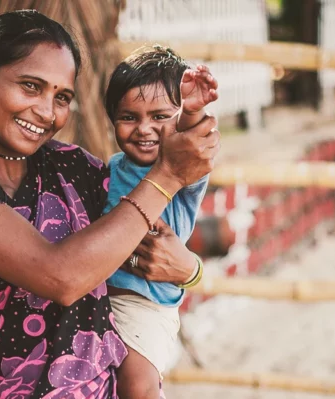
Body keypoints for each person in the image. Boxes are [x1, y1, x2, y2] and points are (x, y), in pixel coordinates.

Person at [0, 10, 220, 399]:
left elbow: (144, 226)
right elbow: (61, 277)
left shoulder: (71, 166)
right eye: (30, 86)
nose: (46, 111)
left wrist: (189, 269)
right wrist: (169, 175)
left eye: (62, 97)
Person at [102, 46, 218, 398]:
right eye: (128, 117)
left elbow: (190, 135)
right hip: (102, 297)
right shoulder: (112, 167)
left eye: (160, 117)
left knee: (138, 388)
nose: (144, 129)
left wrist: (193, 108)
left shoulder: (182, 170)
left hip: (145, 303)